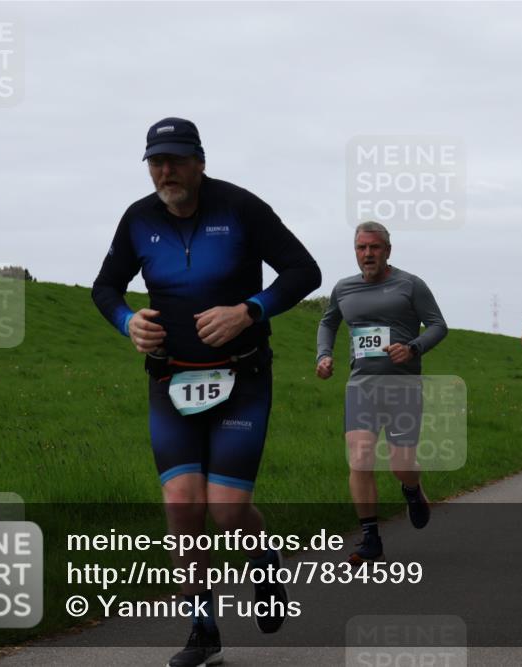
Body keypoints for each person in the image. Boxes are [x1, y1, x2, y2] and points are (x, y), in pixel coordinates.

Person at [92, 117, 321, 667]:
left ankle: (263, 568)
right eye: (155, 161)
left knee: (227, 508)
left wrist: (250, 310)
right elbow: (105, 287)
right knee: (181, 504)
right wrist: (127, 321)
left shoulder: (241, 208)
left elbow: (303, 270)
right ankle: (202, 627)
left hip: (241, 377)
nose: (164, 171)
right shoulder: (137, 219)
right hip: (170, 379)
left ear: (199, 161)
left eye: (174, 159)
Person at [316, 221, 448, 565]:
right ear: (355, 251)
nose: (368, 254)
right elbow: (328, 322)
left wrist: (413, 348)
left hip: (402, 386)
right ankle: (370, 538)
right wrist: (324, 355)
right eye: (362, 248)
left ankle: (411, 489)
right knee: (359, 456)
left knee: (402, 465)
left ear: (387, 251)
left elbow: (438, 325)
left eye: (374, 247)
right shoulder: (343, 289)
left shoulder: (410, 285)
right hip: (361, 386)